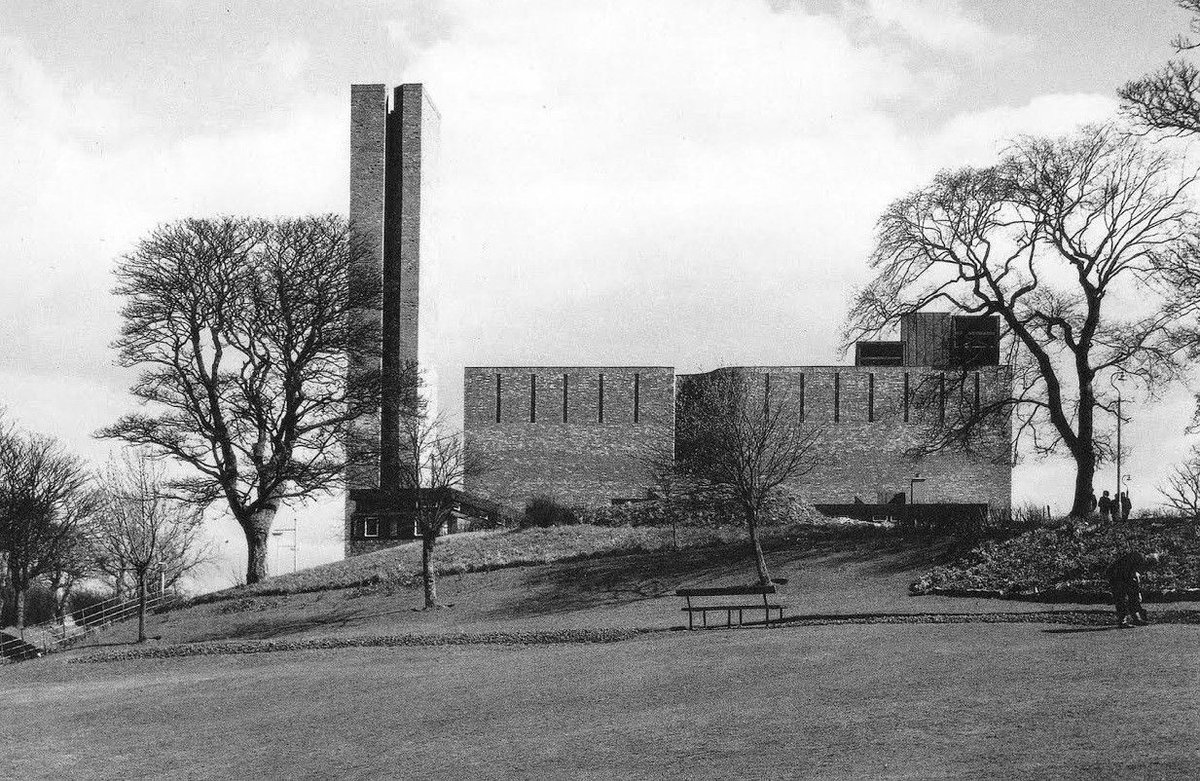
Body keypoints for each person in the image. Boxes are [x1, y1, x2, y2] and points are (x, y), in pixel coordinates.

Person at [1105, 550, 1163, 627]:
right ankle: (1123, 622)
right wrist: (1136, 588)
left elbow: (1133, 576)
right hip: (1116, 575)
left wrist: (1136, 590)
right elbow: (1129, 573)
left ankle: (1136, 619)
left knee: (1133, 596)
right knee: (1122, 598)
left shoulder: (1140, 559)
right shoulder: (1139, 558)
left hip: (1122, 575)